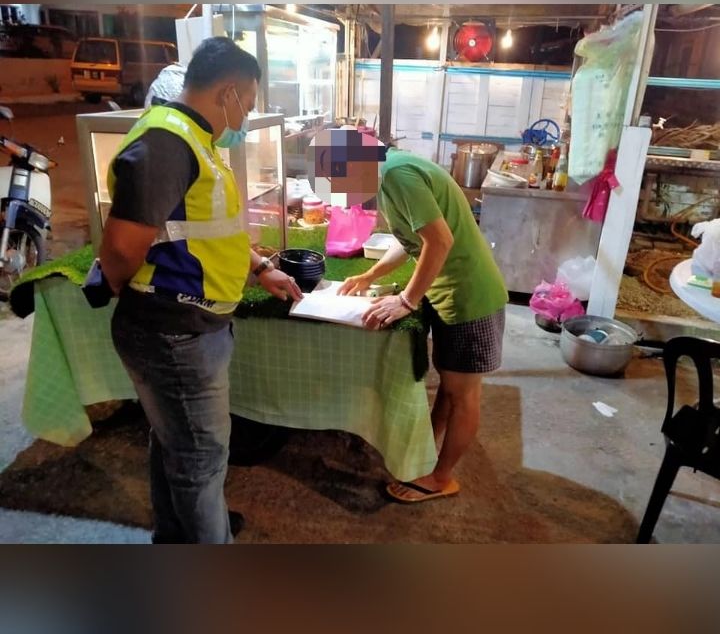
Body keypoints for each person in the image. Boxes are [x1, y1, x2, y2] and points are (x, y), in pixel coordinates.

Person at [100, 37, 302, 543]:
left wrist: (260, 268)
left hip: (189, 328)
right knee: (201, 461)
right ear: (228, 92)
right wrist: (135, 292)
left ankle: (175, 537)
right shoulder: (168, 143)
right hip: (174, 333)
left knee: (177, 445)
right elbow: (120, 248)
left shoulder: (196, 140)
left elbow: (205, 230)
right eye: (248, 104)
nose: (246, 116)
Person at [335, 135, 508, 504]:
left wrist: (407, 300)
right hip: (450, 292)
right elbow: (410, 238)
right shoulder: (393, 169)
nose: (346, 193)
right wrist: (371, 275)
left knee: (463, 395)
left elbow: (439, 241)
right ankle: (429, 451)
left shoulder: (396, 175)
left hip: (468, 295)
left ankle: (441, 479)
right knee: (450, 385)